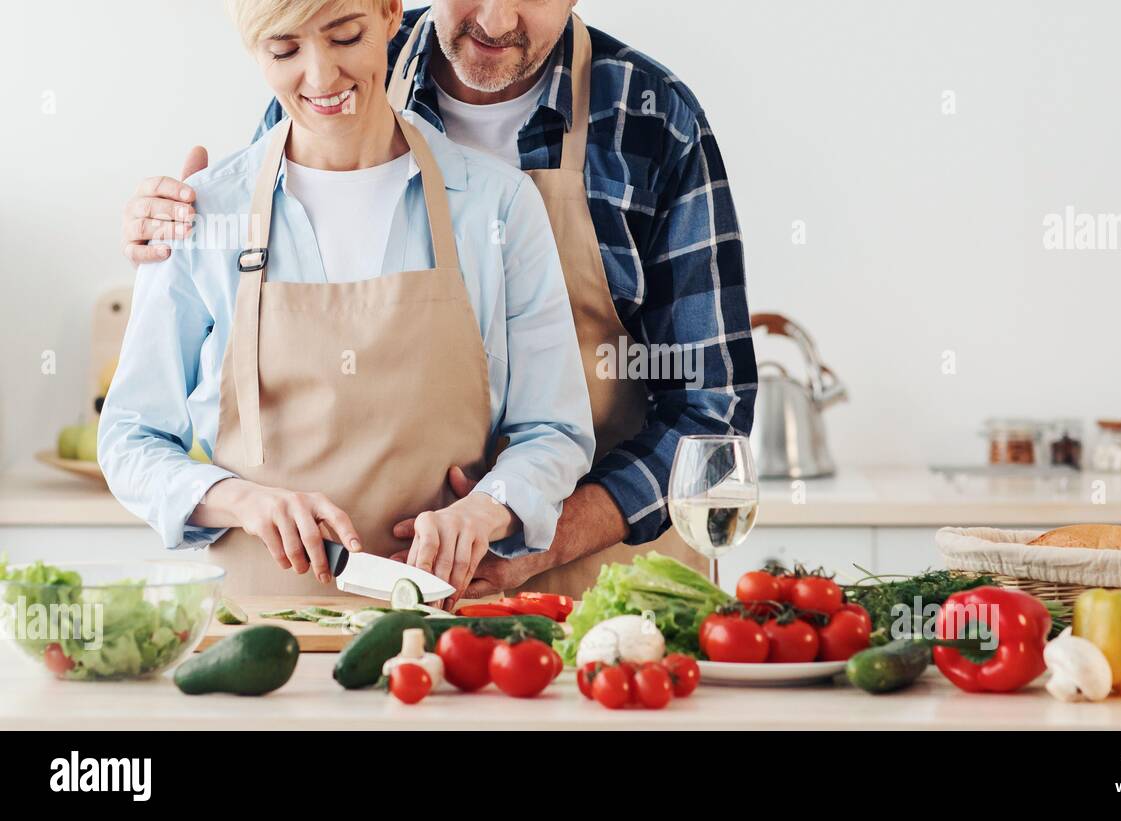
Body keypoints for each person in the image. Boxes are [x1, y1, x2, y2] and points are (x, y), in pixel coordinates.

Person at [120, 1, 756, 598]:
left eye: (344, 39)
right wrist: (173, 224)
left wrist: (526, 527)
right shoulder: (328, 79)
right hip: (295, 602)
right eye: (287, 49)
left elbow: (711, 410)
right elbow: (161, 410)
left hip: (597, 584)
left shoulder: (647, 120)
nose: (498, 18)